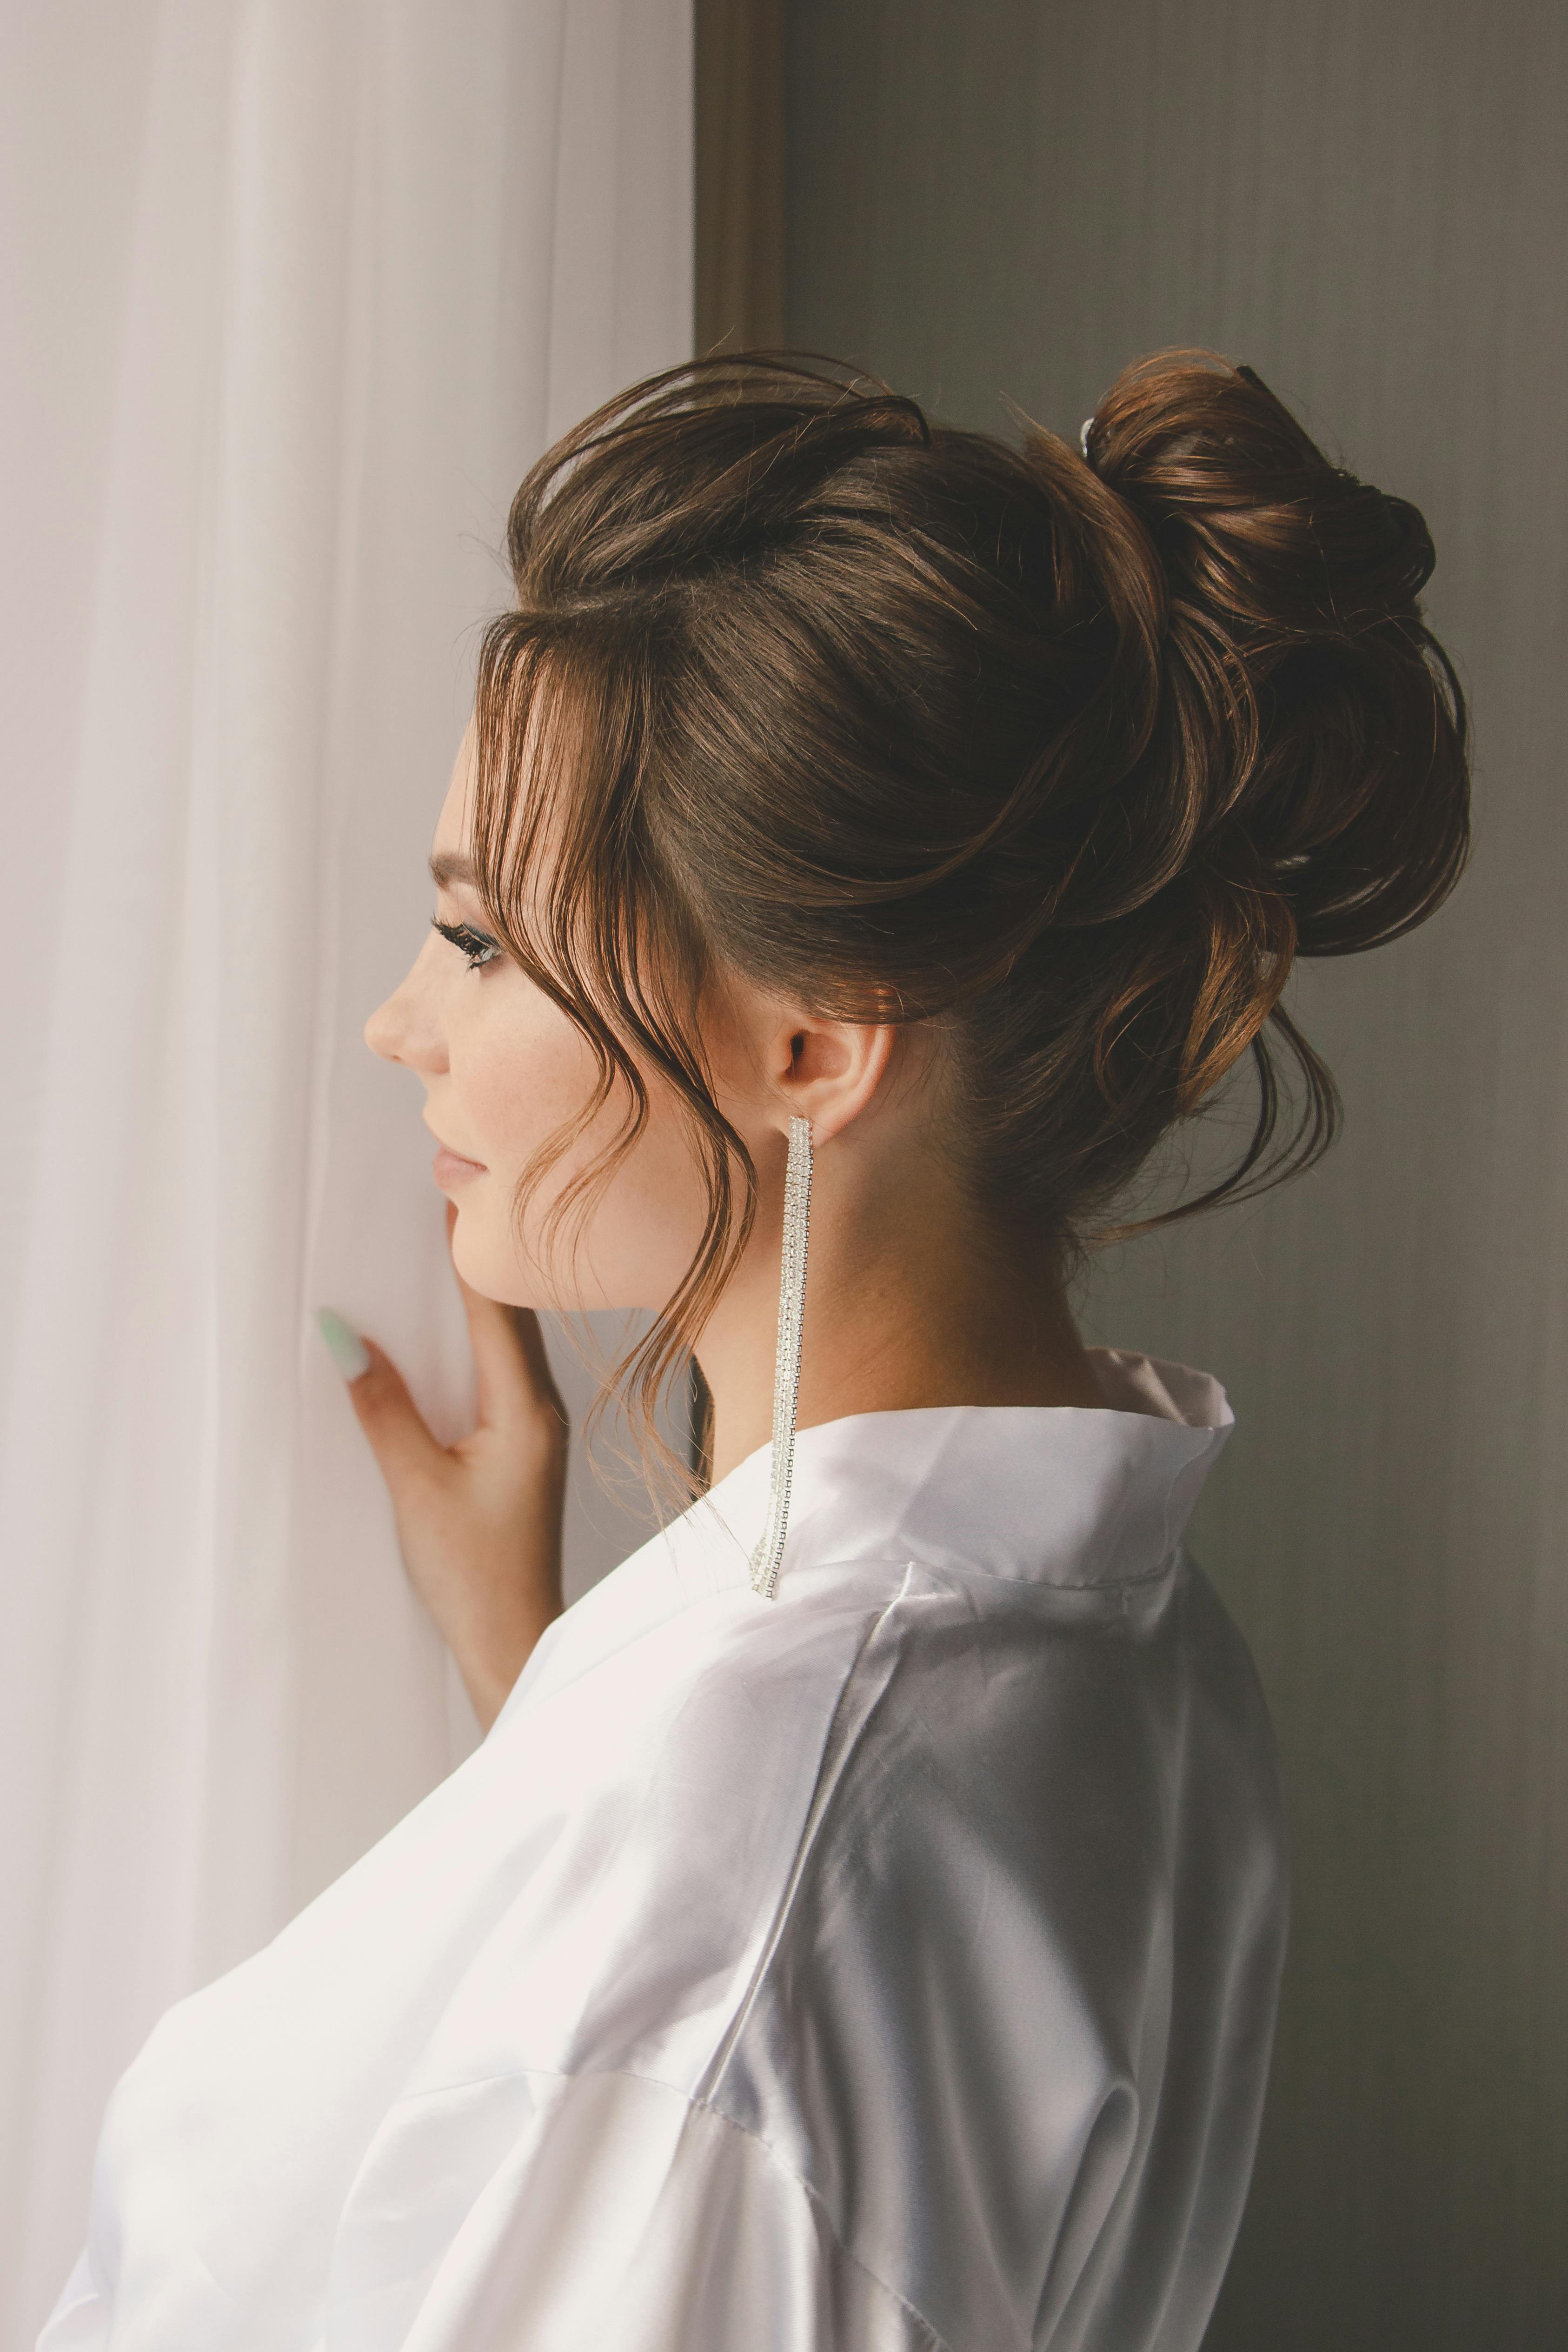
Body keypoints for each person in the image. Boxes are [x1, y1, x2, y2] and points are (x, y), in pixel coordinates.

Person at [40, 349, 1469, 2351]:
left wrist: (637, 1769)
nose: (402, 1022)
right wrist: (548, 1679)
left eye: (480, 941)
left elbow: (744, 1979)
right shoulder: (1134, 1635)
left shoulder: (731, 1909)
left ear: (815, 1041)